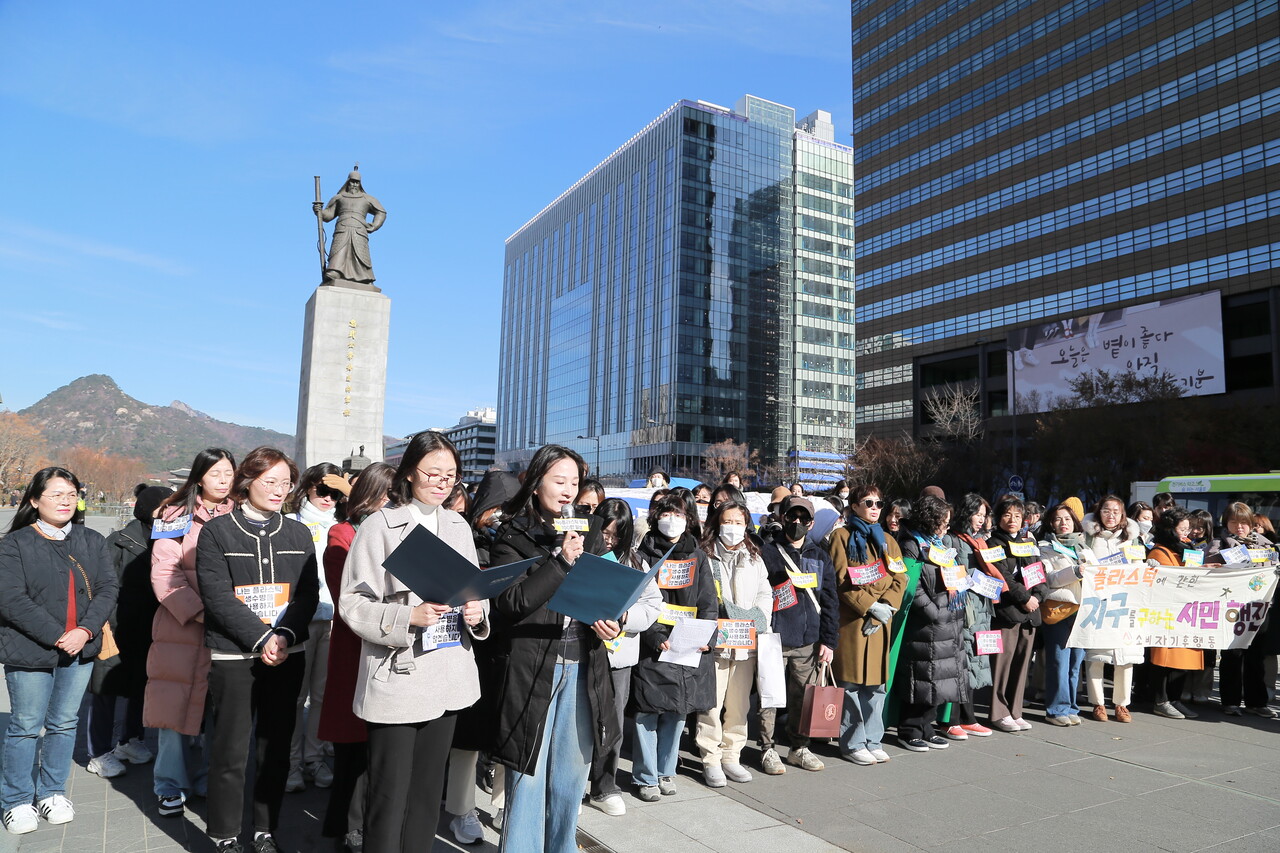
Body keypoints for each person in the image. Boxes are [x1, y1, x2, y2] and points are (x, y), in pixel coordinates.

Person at [339, 434, 489, 853]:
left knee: (427, 792)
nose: (443, 483)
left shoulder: (457, 525)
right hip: (398, 674)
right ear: (408, 472)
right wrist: (408, 617)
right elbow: (352, 602)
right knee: (388, 794)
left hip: (447, 673)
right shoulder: (380, 526)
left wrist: (478, 611)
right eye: (433, 473)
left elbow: (474, 589)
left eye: (451, 475)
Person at [488, 445, 620, 853]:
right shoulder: (512, 533)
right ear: (535, 482)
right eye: (559, 481)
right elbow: (511, 602)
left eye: (574, 483)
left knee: (571, 772)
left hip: (583, 662)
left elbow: (607, 590)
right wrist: (560, 561)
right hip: (533, 665)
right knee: (528, 772)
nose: (568, 491)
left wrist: (613, 620)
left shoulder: (591, 530)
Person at [197, 447, 321, 853]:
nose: (280, 490)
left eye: (286, 483)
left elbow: (307, 594)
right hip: (234, 655)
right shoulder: (217, 532)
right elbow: (217, 596)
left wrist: (283, 635)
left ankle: (265, 829)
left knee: (276, 748)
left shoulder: (298, 533)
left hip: (288, 652)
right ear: (248, 482)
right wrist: (261, 638)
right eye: (270, 481)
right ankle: (224, 834)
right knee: (230, 750)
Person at [0, 467, 118, 835]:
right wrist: (58, 635)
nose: (66, 501)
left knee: (65, 723)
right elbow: (10, 599)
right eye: (56, 494)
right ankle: (16, 799)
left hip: (80, 647)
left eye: (72, 494)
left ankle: (52, 792)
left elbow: (108, 588)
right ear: (35, 500)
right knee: (25, 726)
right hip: (30, 648)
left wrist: (85, 630)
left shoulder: (91, 540)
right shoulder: (14, 544)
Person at [145, 449, 236, 817]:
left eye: (229, 473)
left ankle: (210, 781)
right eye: (215, 473)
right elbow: (164, 573)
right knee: (175, 706)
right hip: (182, 627)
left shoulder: (242, 514)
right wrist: (200, 612)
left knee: (220, 712)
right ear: (199, 477)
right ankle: (169, 784)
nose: (223, 480)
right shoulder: (175, 515)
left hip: (230, 630)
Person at [319, 462, 394, 853]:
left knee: (379, 750)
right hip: (356, 650)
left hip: (392, 649)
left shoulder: (402, 533)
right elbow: (348, 599)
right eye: (390, 495)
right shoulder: (342, 534)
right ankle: (348, 826)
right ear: (373, 495)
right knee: (353, 749)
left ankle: (367, 823)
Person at [626, 495, 714, 802]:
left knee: (677, 712)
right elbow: (637, 599)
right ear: (655, 518)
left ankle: (666, 771)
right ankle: (645, 776)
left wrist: (705, 635)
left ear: (688, 519)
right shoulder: (642, 554)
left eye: (678, 514)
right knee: (647, 712)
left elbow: (708, 601)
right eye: (666, 514)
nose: (671, 520)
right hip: (653, 643)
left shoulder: (698, 555)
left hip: (688, 644)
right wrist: (654, 634)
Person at [86, 486, 171, 778]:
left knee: (141, 685)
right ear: (147, 508)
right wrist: (100, 623)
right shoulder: (119, 541)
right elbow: (100, 585)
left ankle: (130, 739)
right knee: (105, 690)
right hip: (114, 626)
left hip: (150, 627)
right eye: (163, 506)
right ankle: (98, 752)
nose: (169, 512)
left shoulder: (171, 540)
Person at [588, 498, 663, 814]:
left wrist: (626, 617)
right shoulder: (581, 554)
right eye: (604, 532)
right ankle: (575, 783)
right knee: (580, 720)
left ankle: (605, 785)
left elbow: (653, 604)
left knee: (613, 722)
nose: (609, 540)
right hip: (584, 649)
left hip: (619, 656)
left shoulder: (635, 562)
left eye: (616, 535)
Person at [825, 487, 906, 765]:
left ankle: (874, 739)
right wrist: (870, 606)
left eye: (879, 503)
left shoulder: (888, 540)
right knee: (850, 684)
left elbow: (900, 578)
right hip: (853, 621)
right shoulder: (841, 536)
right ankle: (852, 742)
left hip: (881, 622)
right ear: (854, 506)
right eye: (868, 502)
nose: (874, 507)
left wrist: (886, 607)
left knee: (876, 685)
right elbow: (840, 580)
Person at [757, 496, 838, 773]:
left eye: (804, 518)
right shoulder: (768, 552)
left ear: (812, 523)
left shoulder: (820, 555)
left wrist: (829, 641)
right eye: (792, 516)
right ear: (783, 518)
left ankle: (799, 748)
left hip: (808, 640)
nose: (797, 522)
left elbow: (830, 600)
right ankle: (767, 749)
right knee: (769, 697)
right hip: (775, 636)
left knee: (803, 698)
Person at [696, 498, 773, 785]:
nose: (732, 527)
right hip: (716, 643)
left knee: (739, 705)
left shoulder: (754, 557)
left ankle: (732, 755)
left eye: (738, 522)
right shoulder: (705, 555)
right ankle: (710, 758)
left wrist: (754, 619)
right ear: (717, 524)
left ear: (746, 525)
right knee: (711, 705)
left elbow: (766, 595)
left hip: (745, 642)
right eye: (727, 521)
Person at [285, 463, 343, 793]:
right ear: (307, 486)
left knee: (322, 696)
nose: (327, 497)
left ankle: (314, 757)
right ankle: (291, 763)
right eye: (322, 489)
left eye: (335, 492)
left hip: (334, 619)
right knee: (295, 697)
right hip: (299, 620)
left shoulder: (343, 525)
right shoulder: (290, 522)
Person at [895, 495, 966, 751]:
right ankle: (909, 729)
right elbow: (910, 584)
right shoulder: (911, 543)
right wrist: (932, 611)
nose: (947, 526)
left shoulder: (940, 543)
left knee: (939, 677)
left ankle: (927, 726)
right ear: (931, 519)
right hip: (926, 621)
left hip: (948, 617)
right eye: (943, 521)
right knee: (920, 677)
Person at [985, 496, 1048, 732]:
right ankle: (999, 712)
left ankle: (1015, 710)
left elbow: (1039, 572)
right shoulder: (993, 544)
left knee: (1022, 666)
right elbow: (1002, 576)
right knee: (1002, 665)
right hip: (1007, 612)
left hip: (1031, 613)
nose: (1012, 519)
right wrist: (1025, 599)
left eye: (1017, 515)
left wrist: (1038, 597)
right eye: (1007, 514)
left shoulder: (1028, 543)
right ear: (998, 518)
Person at [1082, 495, 1143, 722]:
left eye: (1116, 512)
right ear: (1099, 513)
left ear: (1123, 515)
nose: (1111, 515)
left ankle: (1121, 704)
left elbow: (1139, 568)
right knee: (1096, 653)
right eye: (1106, 510)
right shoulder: (1088, 537)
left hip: (1124, 602)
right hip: (1096, 602)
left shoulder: (1132, 539)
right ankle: (1097, 703)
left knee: (1125, 654)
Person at [1215, 502, 1276, 718]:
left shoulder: (1266, 545)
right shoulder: (1219, 543)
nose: (1239, 527)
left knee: (1256, 656)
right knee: (1233, 654)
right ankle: (1230, 701)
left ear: (1251, 523)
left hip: (1260, 607)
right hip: (1232, 607)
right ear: (1226, 523)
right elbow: (1207, 569)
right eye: (1233, 522)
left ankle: (1256, 702)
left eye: (1243, 522)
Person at [1146, 506, 1203, 720]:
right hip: (1167, 615)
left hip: (1186, 612)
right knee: (1164, 658)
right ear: (1170, 529)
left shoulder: (1188, 549)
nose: (1186, 534)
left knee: (1183, 657)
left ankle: (1175, 699)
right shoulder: (1159, 552)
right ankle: (1161, 701)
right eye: (1182, 529)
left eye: (1188, 529)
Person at [1036, 503, 1088, 726]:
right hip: (1060, 610)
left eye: (1067, 518)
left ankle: (1071, 707)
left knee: (1075, 664)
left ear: (1074, 522)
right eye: (1058, 519)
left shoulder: (1084, 547)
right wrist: (1075, 571)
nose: (1063, 523)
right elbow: (1049, 579)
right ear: (1051, 523)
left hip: (1083, 612)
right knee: (1059, 662)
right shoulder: (1044, 548)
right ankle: (1056, 710)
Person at [315, 168, 387, 285]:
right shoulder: (339, 197)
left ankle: (364, 276)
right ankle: (335, 271)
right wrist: (319, 211)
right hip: (342, 228)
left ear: (360, 184)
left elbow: (381, 212)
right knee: (339, 249)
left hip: (359, 229)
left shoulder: (367, 198)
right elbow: (328, 215)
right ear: (347, 182)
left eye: (357, 182)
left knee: (360, 252)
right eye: (352, 181)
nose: (354, 184)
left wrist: (375, 225)